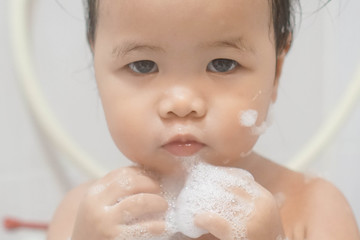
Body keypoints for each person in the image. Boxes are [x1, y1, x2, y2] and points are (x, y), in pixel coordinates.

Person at [47, 0, 360, 239]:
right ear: (96, 63)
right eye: (143, 65)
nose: (182, 104)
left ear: (276, 70)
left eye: (222, 64)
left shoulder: (313, 209)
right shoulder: (82, 215)